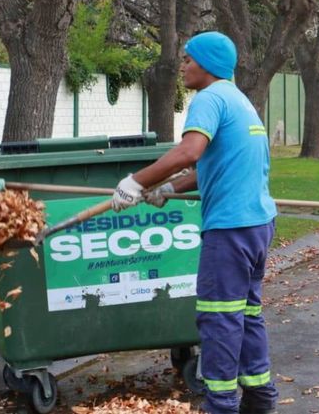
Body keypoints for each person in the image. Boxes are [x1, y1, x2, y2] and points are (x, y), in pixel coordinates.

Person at [111, 31, 279, 414]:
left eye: (189, 59)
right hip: (257, 224)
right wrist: (170, 187)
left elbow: (190, 150)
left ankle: (220, 406)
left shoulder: (209, 99)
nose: (183, 66)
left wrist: (137, 182)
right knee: (246, 313)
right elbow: (215, 167)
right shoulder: (239, 101)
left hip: (230, 229)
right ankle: (260, 398)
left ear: (207, 65)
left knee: (218, 317)